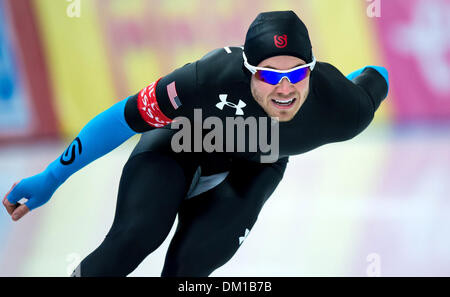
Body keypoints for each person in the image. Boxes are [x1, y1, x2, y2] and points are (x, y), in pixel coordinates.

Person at [2, 10, 389, 276]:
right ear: (247, 71)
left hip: (257, 163)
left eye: (298, 73)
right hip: (181, 143)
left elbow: (376, 74)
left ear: (312, 68)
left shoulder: (344, 109)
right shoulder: (205, 80)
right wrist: (52, 178)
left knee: (187, 272)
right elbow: (119, 119)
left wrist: (340, 84)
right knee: (133, 239)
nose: (285, 89)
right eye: (270, 77)